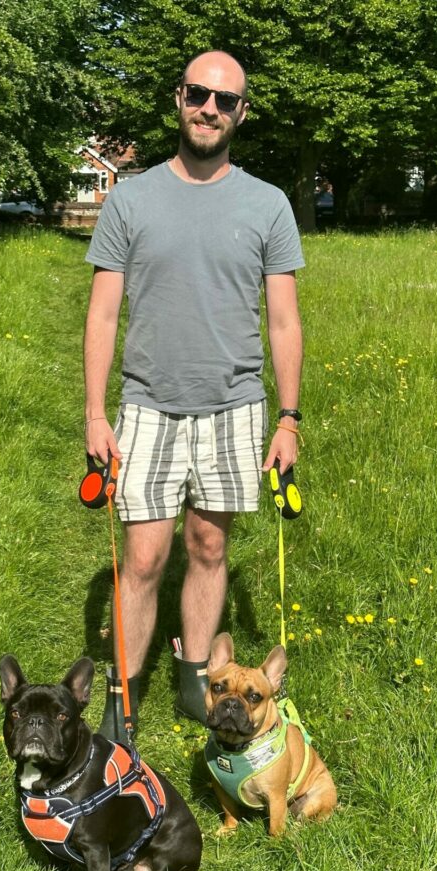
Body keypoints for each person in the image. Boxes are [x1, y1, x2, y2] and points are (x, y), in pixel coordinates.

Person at [83, 50, 304, 741]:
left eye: (225, 100)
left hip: (236, 406)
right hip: (147, 404)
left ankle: (197, 686)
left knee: (208, 548)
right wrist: (96, 414)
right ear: (179, 97)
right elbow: (101, 315)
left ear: (242, 112)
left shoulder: (268, 204)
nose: (210, 108)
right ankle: (122, 701)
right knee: (144, 556)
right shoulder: (131, 198)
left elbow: (285, 320)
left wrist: (289, 419)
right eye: (200, 94)